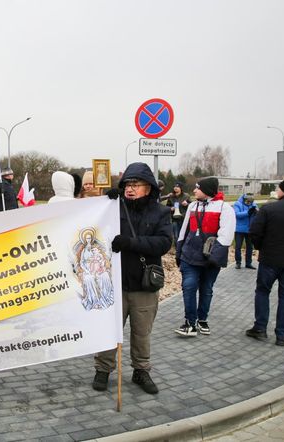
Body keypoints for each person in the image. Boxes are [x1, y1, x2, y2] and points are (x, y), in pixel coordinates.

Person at [92, 162, 172, 395]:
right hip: (115, 284)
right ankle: (103, 370)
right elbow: (94, 227)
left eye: (136, 184)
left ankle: (141, 370)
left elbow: (164, 243)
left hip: (144, 286)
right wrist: (104, 202)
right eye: (127, 183)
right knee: (109, 330)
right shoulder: (114, 208)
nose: (130, 188)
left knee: (141, 332)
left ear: (149, 187)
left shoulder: (161, 213)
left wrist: (131, 243)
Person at [245, 178, 284, 346]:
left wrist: (260, 247)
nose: (277, 190)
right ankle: (282, 335)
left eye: (279, 188)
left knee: (263, 291)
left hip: (270, 259)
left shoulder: (269, 209)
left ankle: (260, 328)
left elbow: (255, 232)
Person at [174, 177, 235, 337]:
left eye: (197, 188)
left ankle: (202, 319)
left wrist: (215, 257)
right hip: (190, 256)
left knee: (206, 289)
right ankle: (190, 322)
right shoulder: (193, 206)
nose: (194, 191)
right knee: (189, 287)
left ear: (207, 190)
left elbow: (226, 235)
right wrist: (179, 251)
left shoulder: (224, 208)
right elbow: (184, 230)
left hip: (210, 258)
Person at [233, 193, 258, 269]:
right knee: (238, 247)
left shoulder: (253, 204)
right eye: (247, 201)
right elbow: (236, 214)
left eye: (250, 201)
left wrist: (256, 212)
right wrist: (248, 213)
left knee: (250, 247)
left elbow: (257, 214)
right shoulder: (237, 204)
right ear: (244, 199)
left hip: (250, 229)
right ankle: (238, 263)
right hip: (239, 229)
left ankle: (248, 263)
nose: (249, 203)